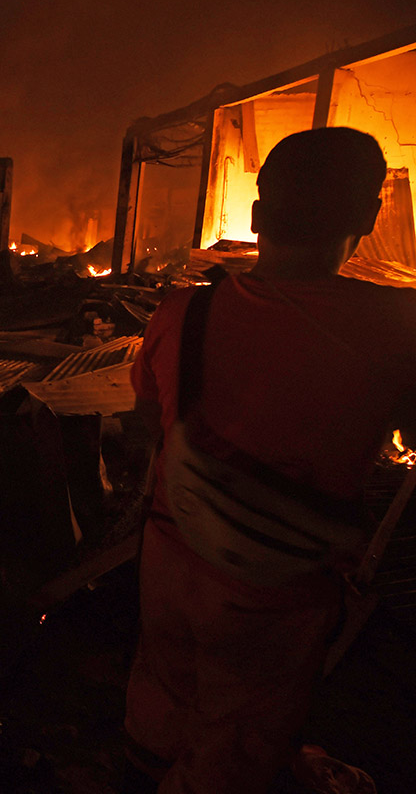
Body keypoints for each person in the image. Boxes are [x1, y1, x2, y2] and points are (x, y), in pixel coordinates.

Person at [123, 127, 414, 793]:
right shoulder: (398, 328)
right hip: (276, 585)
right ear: (367, 219)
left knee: (163, 695)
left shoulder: (180, 311)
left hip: (171, 554)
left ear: (255, 217)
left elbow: (147, 424)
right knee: (239, 742)